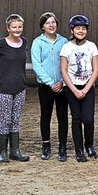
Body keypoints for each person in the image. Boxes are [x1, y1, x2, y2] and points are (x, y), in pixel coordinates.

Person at [0, 14, 29, 163]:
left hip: (20, 87)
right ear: (8, 28)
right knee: (5, 119)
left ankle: (15, 151)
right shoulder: (1, 44)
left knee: (15, 119)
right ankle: (2, 152)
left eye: (20, 27)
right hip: (3, 88)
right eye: (14, 27)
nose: (17, 29)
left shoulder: (24, 42)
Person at [60, 15, 98, 162]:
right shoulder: (66, 47)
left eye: (83, 29)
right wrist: (75, 90)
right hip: (71, 86)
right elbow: (63, 70)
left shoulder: (92, 46)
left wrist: (86, 89)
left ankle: (89, 144)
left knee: (88, 119)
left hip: (87, 85)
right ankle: (79, 150)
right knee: (76, 118)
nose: (81, 31)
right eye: (78, 28)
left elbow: (95, 70)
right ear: (72, 30)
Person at [31, 12, 69, 161]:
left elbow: (68, 62)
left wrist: (62, 81)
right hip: (46, 86)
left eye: (53, 22)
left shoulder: (64, 41)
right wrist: (50, 82)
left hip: (62, 85)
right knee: (46, 115)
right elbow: (37, 65)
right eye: (48, 23)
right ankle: (46, 145)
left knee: (62, 116)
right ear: (42, 26)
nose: (51, 25)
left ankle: (62, 146)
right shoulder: (38, 43)